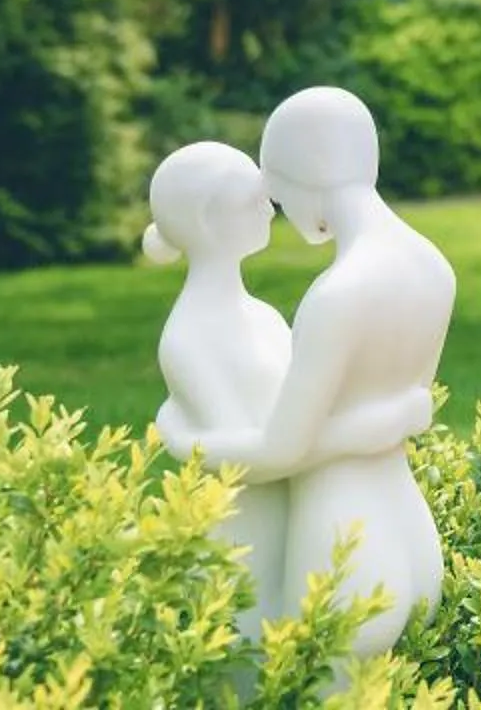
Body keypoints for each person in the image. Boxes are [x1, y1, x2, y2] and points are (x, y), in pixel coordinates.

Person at [181, 87, 455, 660]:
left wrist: (190, 443)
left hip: (342, 539)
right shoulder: (434, 266)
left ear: (310, 174)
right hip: (411, 529)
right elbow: (412, 408)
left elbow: (281, 451)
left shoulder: (338, 293)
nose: (276, 207)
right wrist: (387, 423)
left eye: (277, 190)